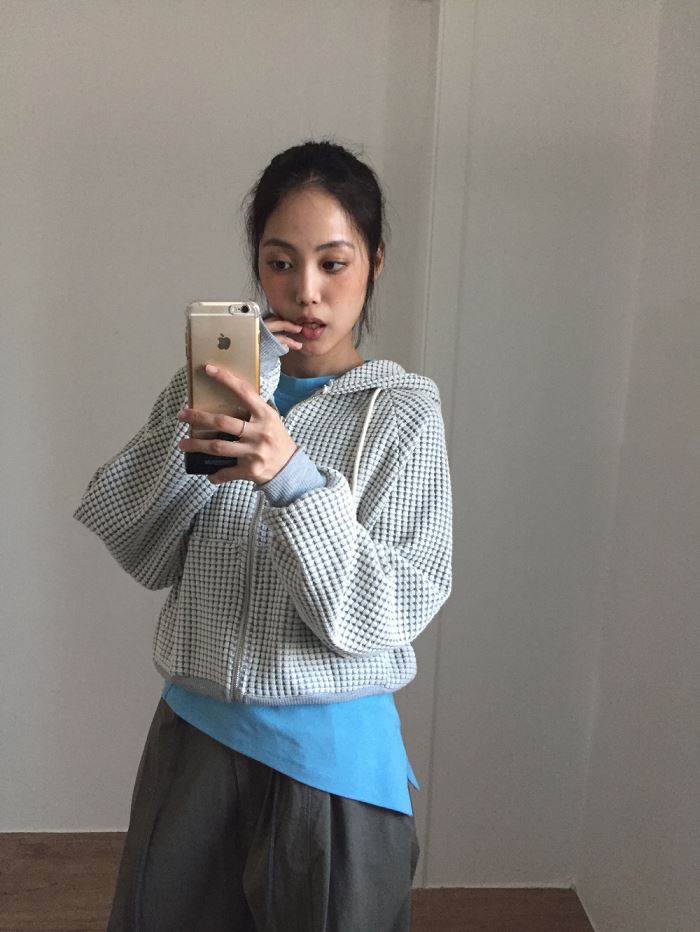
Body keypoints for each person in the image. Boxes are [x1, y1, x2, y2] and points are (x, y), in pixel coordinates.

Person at [75, 140, 452, 932]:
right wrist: (222, 390)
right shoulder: (221, 386)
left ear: (375, 264)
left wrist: (293, 481)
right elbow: (139, 543)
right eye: (280, 262)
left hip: (332, 766)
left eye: (333, 263)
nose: (305, 290)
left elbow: (388, 613)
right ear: (257, 267)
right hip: (194, 738)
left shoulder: (403, 411)